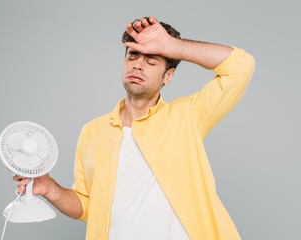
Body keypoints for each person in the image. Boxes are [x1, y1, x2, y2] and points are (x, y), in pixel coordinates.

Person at [13, 16, 255, 240]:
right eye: (132, 56)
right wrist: (49, 189)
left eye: (151, 60)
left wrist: (170, 46)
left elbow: (241, 66)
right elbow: (86, 207)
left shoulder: (188, 115)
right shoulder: (92, 131)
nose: (138, 66)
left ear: (168, 76)